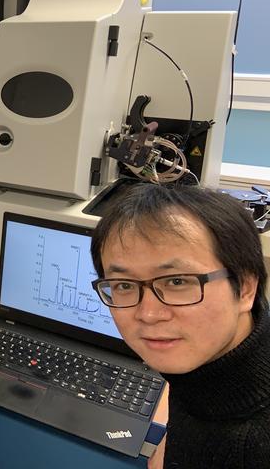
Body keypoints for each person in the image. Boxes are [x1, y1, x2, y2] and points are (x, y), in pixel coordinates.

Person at [90, 183, 270, 469]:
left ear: (246, 288)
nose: (148, 314)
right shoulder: (209, 355)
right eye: (123, 284)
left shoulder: (253, 447)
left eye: (177, 282)